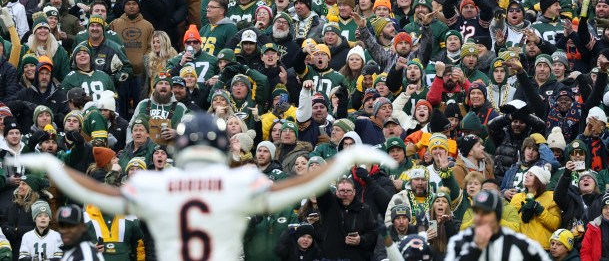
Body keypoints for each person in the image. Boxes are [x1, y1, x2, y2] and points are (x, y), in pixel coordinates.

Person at [19, 115, 395, 261]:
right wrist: (344, 160)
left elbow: (99, 193)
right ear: (219, 147)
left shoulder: (157, 181)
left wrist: (53, 166)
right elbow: (300, 185)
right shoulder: (239, 179)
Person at [445, 189, 552, 260]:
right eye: (476, 212)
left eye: (485, 213)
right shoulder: (459, 242)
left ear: (497, 215)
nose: (478, 218)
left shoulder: (522, 245)